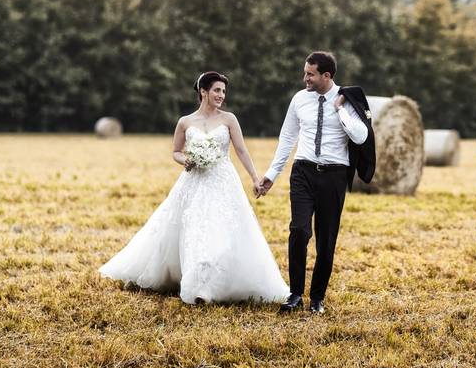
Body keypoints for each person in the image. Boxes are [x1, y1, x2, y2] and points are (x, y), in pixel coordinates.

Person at [99, 71, 289, 305]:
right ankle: (196, 282)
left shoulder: (229, 119)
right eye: (217, 90)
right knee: (195, 228)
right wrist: (185, 160)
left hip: (222, 181)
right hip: (194, 182)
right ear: (203, 92)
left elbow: (241, 150)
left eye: (223, 91)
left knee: (220, 229)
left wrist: (254, 177)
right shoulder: (185, 122)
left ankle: (211, 284)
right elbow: (176, 151)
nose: (221, 95)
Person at [259, 52, 369, 315]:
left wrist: (340, 109)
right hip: (303, 172)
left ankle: (317, 298)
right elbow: (287, 138)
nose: (304, 78)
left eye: (310, 74)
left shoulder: (348, 99)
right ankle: (295, 294)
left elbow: (361, 136)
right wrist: (272, 174)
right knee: (299, 230)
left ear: (326, 76)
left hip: (334, 175)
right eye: (305, 72)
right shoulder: (299, 99)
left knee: (326, 239)